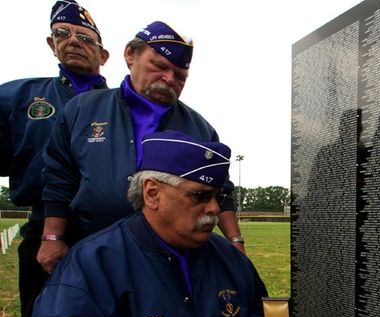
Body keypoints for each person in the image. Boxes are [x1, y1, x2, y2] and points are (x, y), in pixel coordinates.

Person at [28, 130, 302, 317]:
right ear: (152, 194)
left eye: (217, 197)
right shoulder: (91, 270)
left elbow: (252, 316)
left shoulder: (229, 258)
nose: (214, 209)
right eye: (200, 196)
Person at [37, 20, 245, 275]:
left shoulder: (199, 127)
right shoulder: (82, 109)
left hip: (169, 257)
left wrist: (235, 242)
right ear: (130, 55)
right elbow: (59, 177)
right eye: (159, 66)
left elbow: (220, 191)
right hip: (91, 246)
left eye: (180, 76)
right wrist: (52, 238)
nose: (169, 78)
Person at [0, 1, 109, 317]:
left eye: (84, 38)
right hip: (44, 221)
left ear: (103, 54)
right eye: (63, 35)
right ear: (50, 43)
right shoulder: (22, 95)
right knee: (41, 315)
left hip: (105, 225)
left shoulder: (119, 103)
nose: (73, 43)